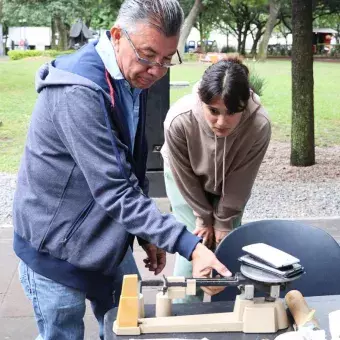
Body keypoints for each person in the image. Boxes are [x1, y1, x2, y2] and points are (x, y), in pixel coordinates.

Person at [12, 1, 232, 339]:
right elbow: (114, 189)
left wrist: (145, 233)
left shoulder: (131, 77)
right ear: (117, 36)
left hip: (106, 243)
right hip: (55, 249)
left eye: (167, 59)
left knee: (129, 330)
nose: (157, 70)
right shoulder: (78, 92)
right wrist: (190, 245)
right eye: (148, 55)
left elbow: (129, 167)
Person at [161, 55, 271, 303]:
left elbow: (242, 179)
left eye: (232, 112)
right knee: (195, 241)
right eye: (213, 111)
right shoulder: (179, 119)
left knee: (228, 241)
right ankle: (184, 309)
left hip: (231, 181)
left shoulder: (259, 124)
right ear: (202, 101)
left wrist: (223, 221)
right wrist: (203, 216)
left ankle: (230, 310)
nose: (222, 122)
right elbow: (184, 175)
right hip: (185, 180)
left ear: (245, 104)